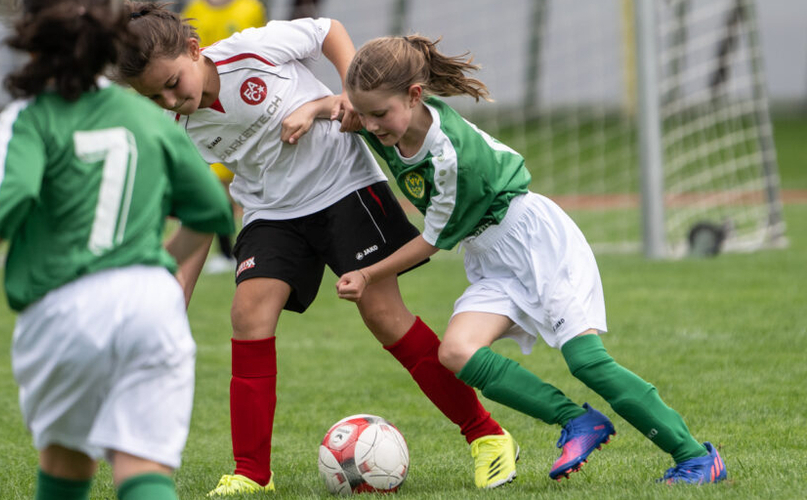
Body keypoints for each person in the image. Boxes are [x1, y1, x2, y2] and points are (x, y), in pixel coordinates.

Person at [117, 3, 518, 494]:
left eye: (172, 83)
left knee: (384, 315)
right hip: (271, 212)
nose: (169, 99)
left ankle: (487, 436)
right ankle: (250, 474)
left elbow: (329, 30)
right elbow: (199, 221)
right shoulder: (183, 131)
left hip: (342, 185)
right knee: (247, 315)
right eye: (154, 96)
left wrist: (352, 91)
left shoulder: (252, 50)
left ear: (194, 51)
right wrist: (175, 294)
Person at [336, 34, 728, 485]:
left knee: (587, 363)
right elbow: (341, 106)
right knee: (457, 352)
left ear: (415, 95)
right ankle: (577, 421)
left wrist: (367, 273)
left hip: (537, 242)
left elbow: (431, 243)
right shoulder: (387, 118)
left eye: (378, 114)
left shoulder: (451, 157)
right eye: (363, 112)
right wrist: (321, 110)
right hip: (490, 255)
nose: (369, 124)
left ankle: (696, 456)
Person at [0, 1, 235, 499]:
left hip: (66, 309)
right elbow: (213, 206)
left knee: (67, 460)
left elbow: (15, 194)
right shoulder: (140, 113)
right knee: (142, 467)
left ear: (29, 42)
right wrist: (162, 262)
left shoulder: (29, 116)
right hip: (153, 307)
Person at [180, 0, 269, 274]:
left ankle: (269, 245)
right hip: (208, 111)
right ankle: (226, 252)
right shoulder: (193, 9)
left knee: (260, 179)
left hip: (248, 102)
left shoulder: (250, 7)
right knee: (215, 185)